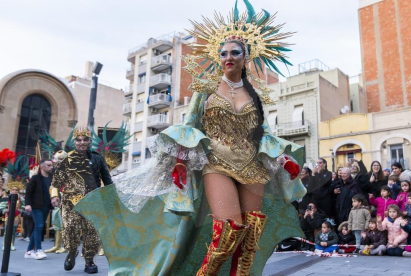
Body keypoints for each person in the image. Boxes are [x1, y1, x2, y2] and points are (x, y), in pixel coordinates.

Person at [73, 1, 307, 275]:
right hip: (216, 163)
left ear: (246, 56)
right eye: (222, 53)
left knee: (250, 238)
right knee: (228, 233)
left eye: (234, 52)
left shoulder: (254, 95)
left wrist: (282, 158)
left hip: (252, 166)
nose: (227, 56)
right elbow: (190, 126)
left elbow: (262, 133)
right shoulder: (206, 88)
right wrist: (181, 161)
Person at [51, 127, 113, 273]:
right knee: (71, 228)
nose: (82, 142)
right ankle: (71, 253)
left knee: (91, 231)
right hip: (70, 201)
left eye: (85, 139)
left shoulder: (98, 158)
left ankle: (89, 261)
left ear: (90, 141)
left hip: (93, 200)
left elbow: (107, 180)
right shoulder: (67, 159)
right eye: (79, 140)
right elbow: (56, 182)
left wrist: (111, 197)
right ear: (75, 142)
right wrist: (54, 195)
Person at [24, 159, 54, 260]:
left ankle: (29, 251)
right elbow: (28, 192)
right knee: (40, 225)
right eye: (49, 165)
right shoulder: (35, 178)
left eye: (52, 165)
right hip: (36, 206)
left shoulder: (51, 178)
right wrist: (27, 204)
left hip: (46, 206)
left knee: (38, 226)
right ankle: (38, 250)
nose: (51, 167)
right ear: (42, 167)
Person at [44, 189, 65, 253]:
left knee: (64, 225)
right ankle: (57, 246)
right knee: (57, 225)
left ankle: (65, 246)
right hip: (59, 197)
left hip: (66, 198)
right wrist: (54, 196)